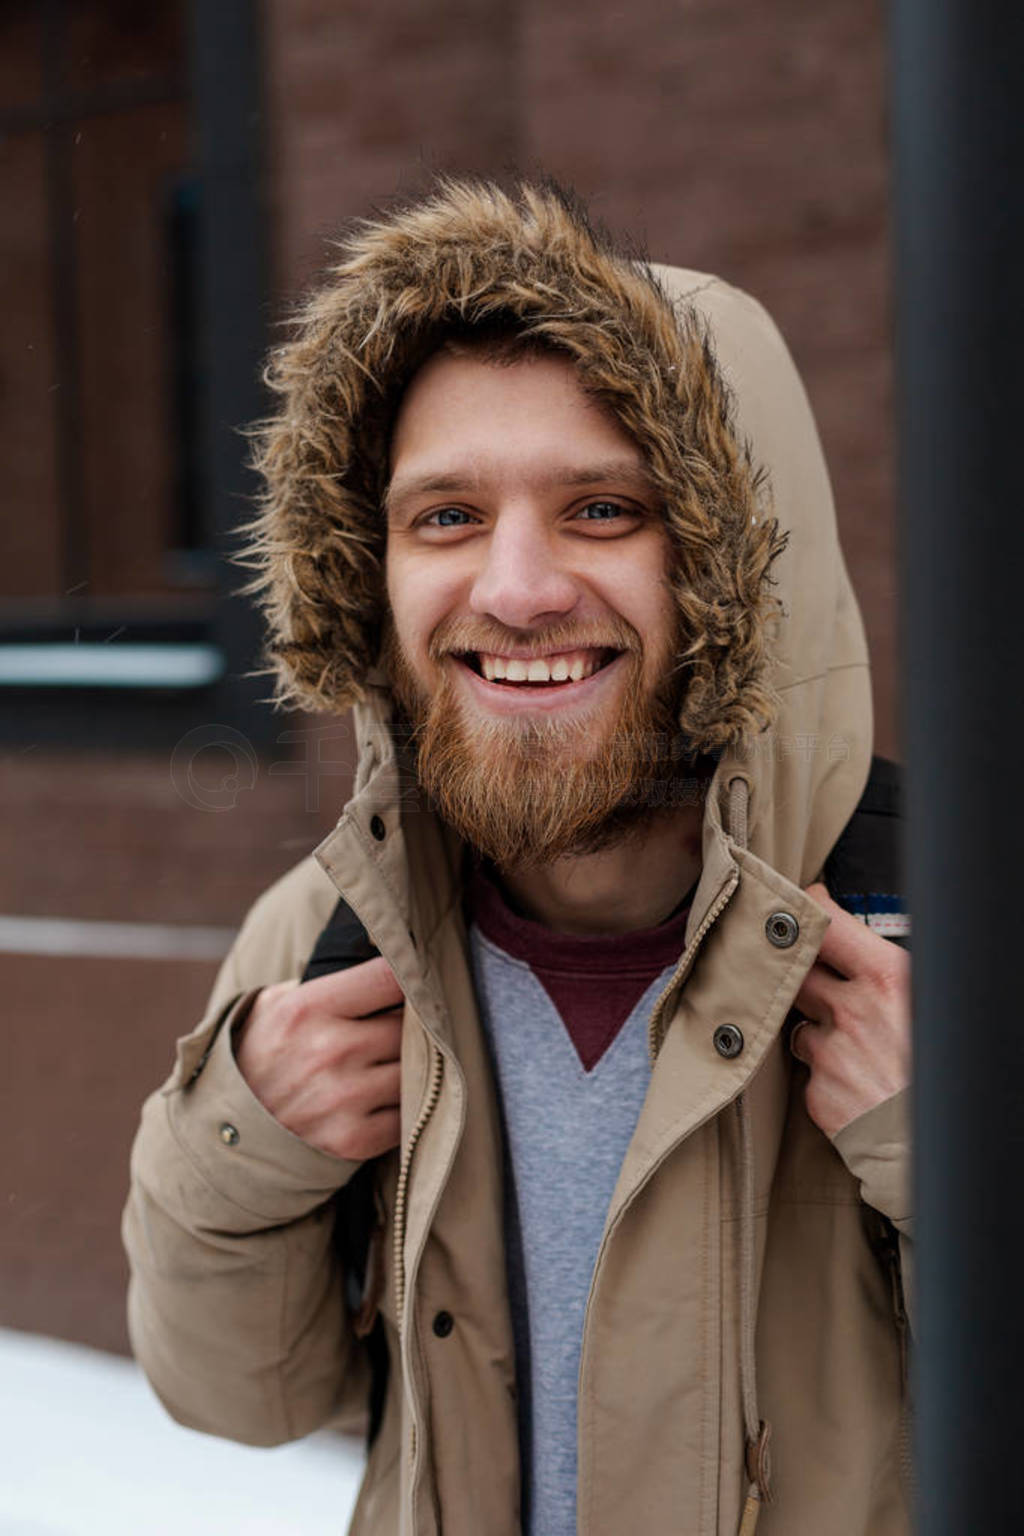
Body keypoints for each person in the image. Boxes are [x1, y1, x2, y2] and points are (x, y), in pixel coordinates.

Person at [123, 180, 912, 1536]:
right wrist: (239, 1146)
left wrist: (940, 1147)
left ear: (737, 566)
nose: (517, 588)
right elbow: (241, 1400)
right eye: (446, 517)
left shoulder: (947, 943)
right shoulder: (327, 941)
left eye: (604, 509)